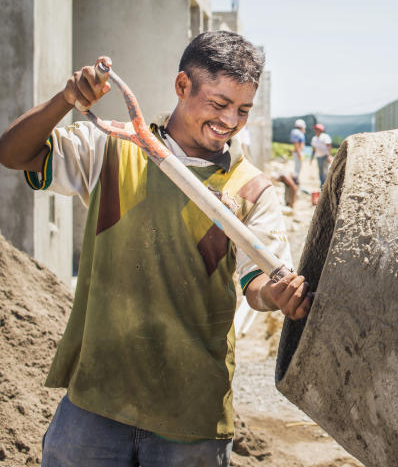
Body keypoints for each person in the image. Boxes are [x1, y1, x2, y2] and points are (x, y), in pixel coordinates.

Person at [0, 31, 311, 467]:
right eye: (219, 103)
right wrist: (66, 99)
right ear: (183, 86)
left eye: (243, 109)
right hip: (96, 402)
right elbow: (15, 154)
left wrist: (275, 296)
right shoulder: (113, 148)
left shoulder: (253, 190)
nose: (231, 121)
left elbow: (256, 282)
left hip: (191, 417)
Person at [289, 118, 306, 183]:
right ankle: (295, 181)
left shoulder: (296, 132)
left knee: (297, 167)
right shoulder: (297, 132)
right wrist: (299, 154)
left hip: (297, 152)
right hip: (298, 152)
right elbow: (296, 144)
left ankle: (296, 180)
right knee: (297, 168)